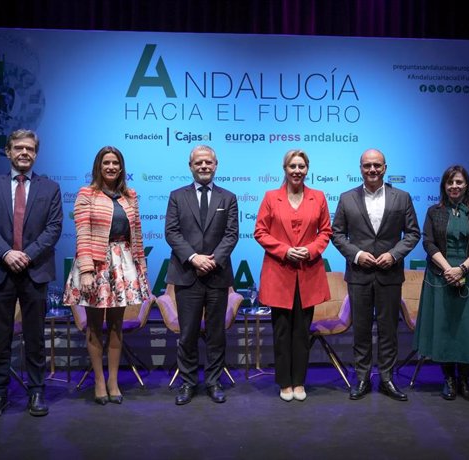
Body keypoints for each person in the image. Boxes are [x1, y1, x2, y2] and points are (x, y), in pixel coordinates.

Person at [0, 129, 63, 421]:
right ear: (8, 152)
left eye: (30, 149)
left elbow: (54, 228)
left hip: (35, 272)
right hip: (0, 271)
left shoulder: (50, 188)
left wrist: (27, 254)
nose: (25, 153)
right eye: (19, 148)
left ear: (36, 154)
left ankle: (36, 392)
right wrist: (7, 253)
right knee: (1, 338)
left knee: (35, 338)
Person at [63, 146, 150, 405]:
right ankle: (99, 382)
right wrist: (87, 271)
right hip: (96, 265)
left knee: (116, 327)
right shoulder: (86, 194)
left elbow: (137, 235)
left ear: (121, 168)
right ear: (98, 167)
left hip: (122, 264)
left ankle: (114, 381)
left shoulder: (130, 196)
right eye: (106, 163)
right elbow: (83, 233)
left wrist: (141, 270)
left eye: (115, 163)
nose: (111, 167)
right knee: (94, 326)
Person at [332, 148, 420, 401]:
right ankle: (361, 378)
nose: (372, 170)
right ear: (360, 168)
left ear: (385, 167)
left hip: (389, 273)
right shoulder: (346, 198)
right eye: (367, 165)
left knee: (388, 329)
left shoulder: (401, 197)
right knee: (360, 329)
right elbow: (337, 234)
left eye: (377, 165)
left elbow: (413, 233)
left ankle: (387, 379)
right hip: (359, 274)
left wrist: (394, 254)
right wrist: (357, 255)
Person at [254, 149, 332, 402]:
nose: (297, 170)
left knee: (301, 331)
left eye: (301, 166)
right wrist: (285, 251)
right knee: (281, 331)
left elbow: (326, 232)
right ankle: (284, 382)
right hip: (279, 273)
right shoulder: (270, 197)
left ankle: (299, 381)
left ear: (307, 169)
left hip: (308, 274)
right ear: (284, 169)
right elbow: (260, 232)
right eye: (292, 166)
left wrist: (309, 250)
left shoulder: (318, 197)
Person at [165, 145, 239, 405]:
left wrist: (213, 260)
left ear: (216, 164)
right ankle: (187, 383)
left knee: (216, 334)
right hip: (187, 274)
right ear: (190, 166)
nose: (204, 166)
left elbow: (231, 235)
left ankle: (214, 382)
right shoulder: (176, 196)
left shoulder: (228, 198)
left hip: (217, 276)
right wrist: (194, 258)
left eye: (208, 162)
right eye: (199, 163)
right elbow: (172, 233)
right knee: (187, 334)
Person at [413, 165, 469, 402]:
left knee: (467, 331)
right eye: (450, 183)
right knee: (445, 329)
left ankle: (466, 380)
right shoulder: (433, 212)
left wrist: (462, 269)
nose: (454, 186)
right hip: (440, 276)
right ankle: (448, 379)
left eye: (459, 182)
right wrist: (448, 269)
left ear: (467, 184)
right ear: (444, 186)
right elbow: (428, 243)